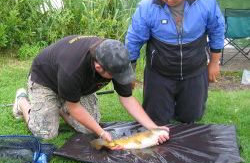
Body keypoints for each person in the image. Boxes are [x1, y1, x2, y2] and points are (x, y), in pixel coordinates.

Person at [13, 35, 169, 146]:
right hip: (45, 80)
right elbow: (74, 107)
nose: (120, 77)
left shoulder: (115, 58)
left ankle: (61, 105)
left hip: (75, 86)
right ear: (98, 67)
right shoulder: (72, 68)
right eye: (115, 75)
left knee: (86, 129)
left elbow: (127, 98)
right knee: (45, 134)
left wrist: (153, 127)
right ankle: (22, 101)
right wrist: (101, 133)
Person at [125, 0, 225, 125]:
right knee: (156, 119)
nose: (170, 0)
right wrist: (129, 73)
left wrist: (214, 63)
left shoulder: (206, 2)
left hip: (194, 69)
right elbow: (133, 41)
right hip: (159, 72)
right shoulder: (146, 7)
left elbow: (217, 30)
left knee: (190, 118)